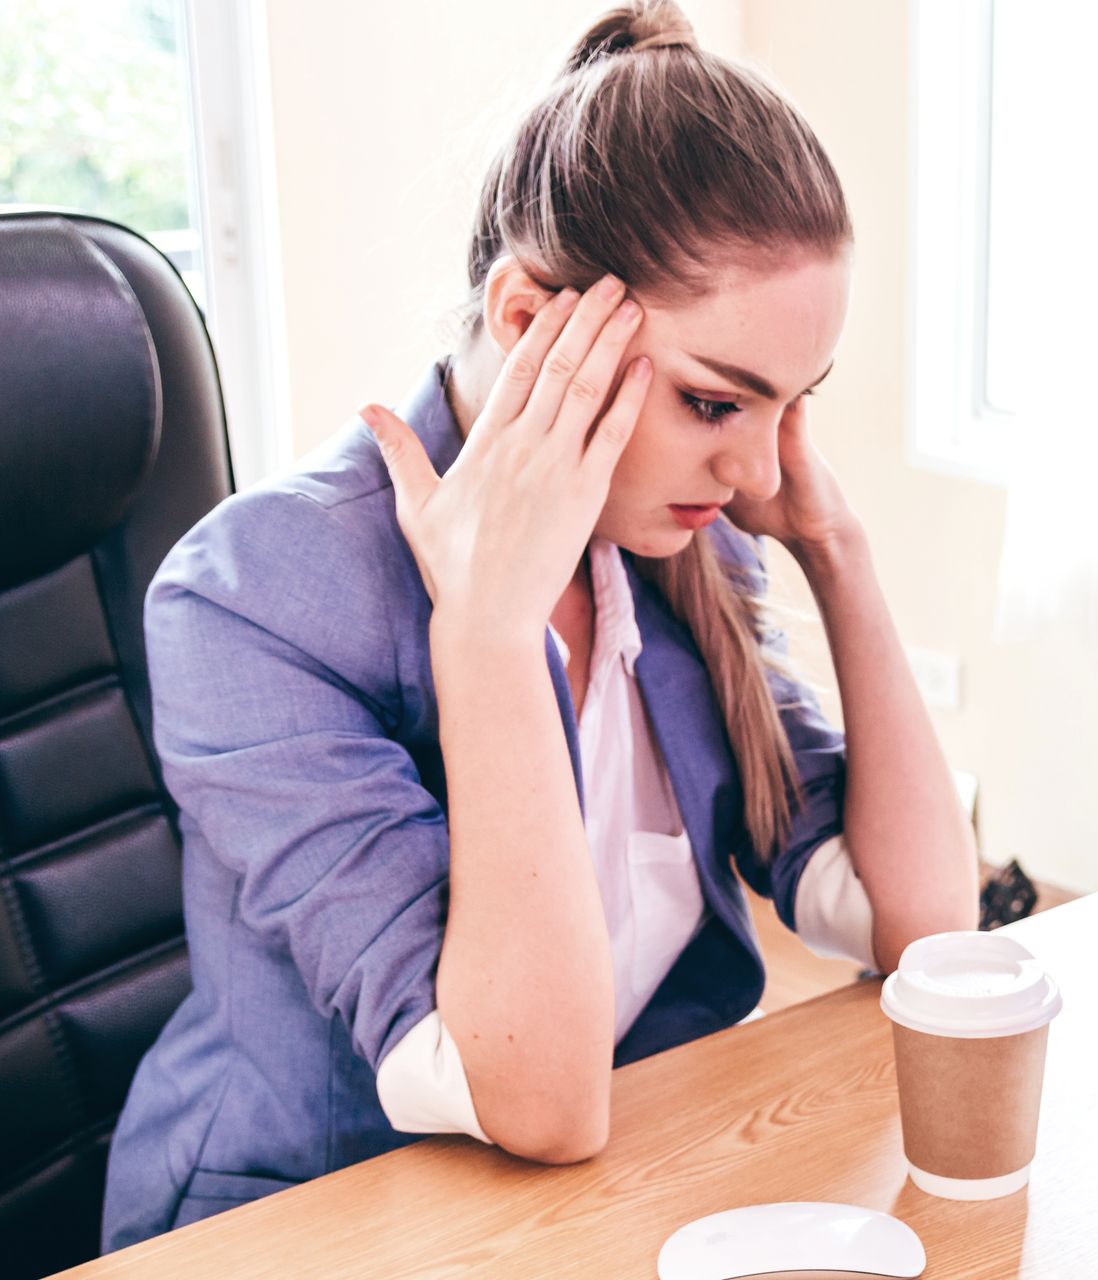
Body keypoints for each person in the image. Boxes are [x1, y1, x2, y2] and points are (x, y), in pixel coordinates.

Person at [99, 1, 978, 1251]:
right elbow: (542, 1097)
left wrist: (839, 551)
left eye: (791, 405)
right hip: (298, 1230)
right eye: (715, 398)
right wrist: (492, 634)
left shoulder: (673, 533)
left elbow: (927, 925)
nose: (755, 463)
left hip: (589, 1212)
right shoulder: (251, 600)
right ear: (528, 325)